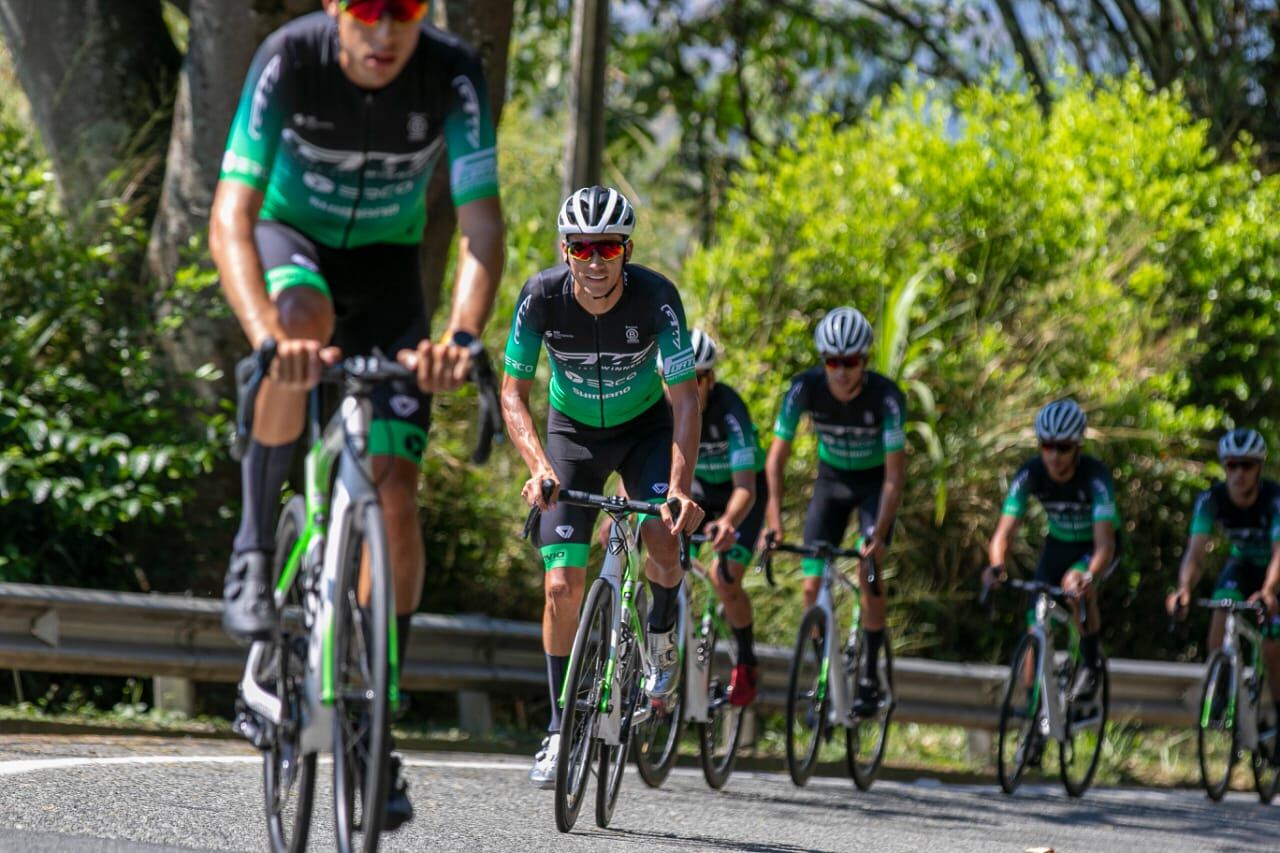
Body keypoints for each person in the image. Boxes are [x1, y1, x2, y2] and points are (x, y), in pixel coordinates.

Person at [211, 0, 505, 828]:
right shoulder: (288, 57)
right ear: (338, 9)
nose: (384, 31)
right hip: (288, 243)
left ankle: (375, 714)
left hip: (387, 276)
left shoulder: (451, 70)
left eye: (404, 8)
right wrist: (266, 336)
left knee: (398, 491)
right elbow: (230, 214)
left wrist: (460, 336)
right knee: (300, 330)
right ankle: (253, 548)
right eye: (367, 8)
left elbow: (481, 222)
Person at [500, 185, 704, 788]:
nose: (595, 261)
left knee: (663, 542)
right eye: (582, 247)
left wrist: (679, 487)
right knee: (562, 584)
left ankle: (662, 632)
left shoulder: (657, 297)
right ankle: (561, 728)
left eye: (608, 247)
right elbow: (513, 392)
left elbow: (687, 401)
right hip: (572, 439)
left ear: (626, 250)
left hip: (644, 431)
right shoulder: (540, 297)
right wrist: (538, 466)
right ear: (566, 251)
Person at [762, 307, 905, 717]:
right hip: (831, 483)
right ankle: (827, 677)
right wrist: (774, 522)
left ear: (864, 361)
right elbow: (775, 461)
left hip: (874, 488)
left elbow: (895, 477)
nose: (840, 372)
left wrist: (878, 532)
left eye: (851, 362)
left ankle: (869, 677)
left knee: (867, 571)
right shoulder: (803, 389)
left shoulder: (888, 397)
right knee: (811, 588)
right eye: (831, 362)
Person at [984, 399, 1117, 711]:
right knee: (1035, 625)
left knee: (1075, 584)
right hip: (1057, 546)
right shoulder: (1030, 473)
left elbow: (1105, 546)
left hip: (1095, 548)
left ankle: (1090, 661)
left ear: (1078, 447)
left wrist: (1089, 577)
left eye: (1063, 447)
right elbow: (1003, 535)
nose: (1054, 456)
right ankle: (1034, 716)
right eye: (1046, 446)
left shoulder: (1095, 477)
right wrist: (996, 566)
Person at [1166, 428, 1280, 719]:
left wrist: (1268, 591)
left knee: (1272, 646)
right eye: (1232, 465)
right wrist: (1184, 589)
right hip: (1241, 565)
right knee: (1221, 604)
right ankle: (1220, 684)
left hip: (1273, 572)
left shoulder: (1274, 500)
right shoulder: (1211, 500)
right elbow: (1196, 553)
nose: (1239, 473)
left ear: (1259, 468)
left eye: (1247, 465)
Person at [686, 329, 767, 706]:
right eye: (677, 379)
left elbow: (746, 488)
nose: (685, 388)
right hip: (700, 489)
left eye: (695, 379)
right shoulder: (662, 407)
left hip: (742, 494)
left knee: (725, 576)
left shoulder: (730, 411)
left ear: (710, 379)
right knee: (662, 556)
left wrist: (729, 523)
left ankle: (746, 663)